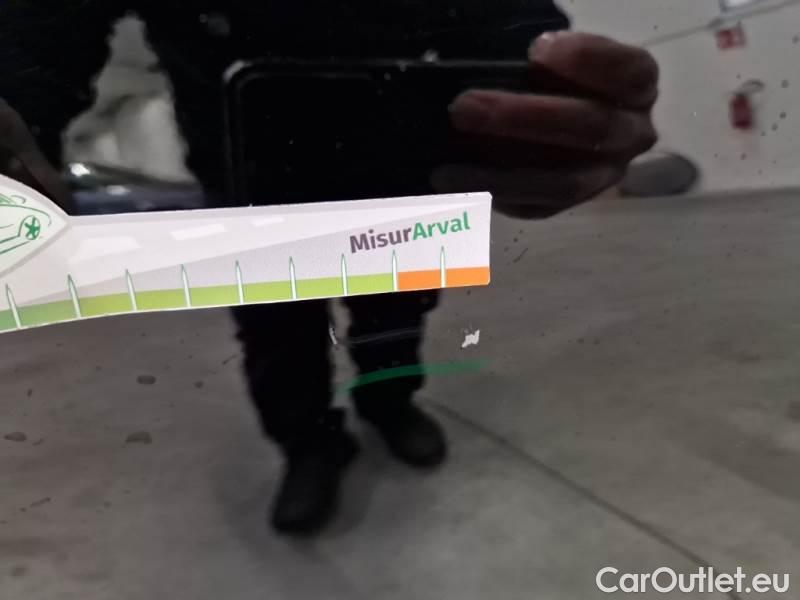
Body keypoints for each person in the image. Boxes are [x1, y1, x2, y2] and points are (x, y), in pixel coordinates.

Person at [0, 1, 658, 534]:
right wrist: (15, 107)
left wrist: (535, 72)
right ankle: (309, 446)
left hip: (390, 158)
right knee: (276, 330)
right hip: (250, 168)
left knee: (397, 305)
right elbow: (49, 20)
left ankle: (389, 401)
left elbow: (498, 12)